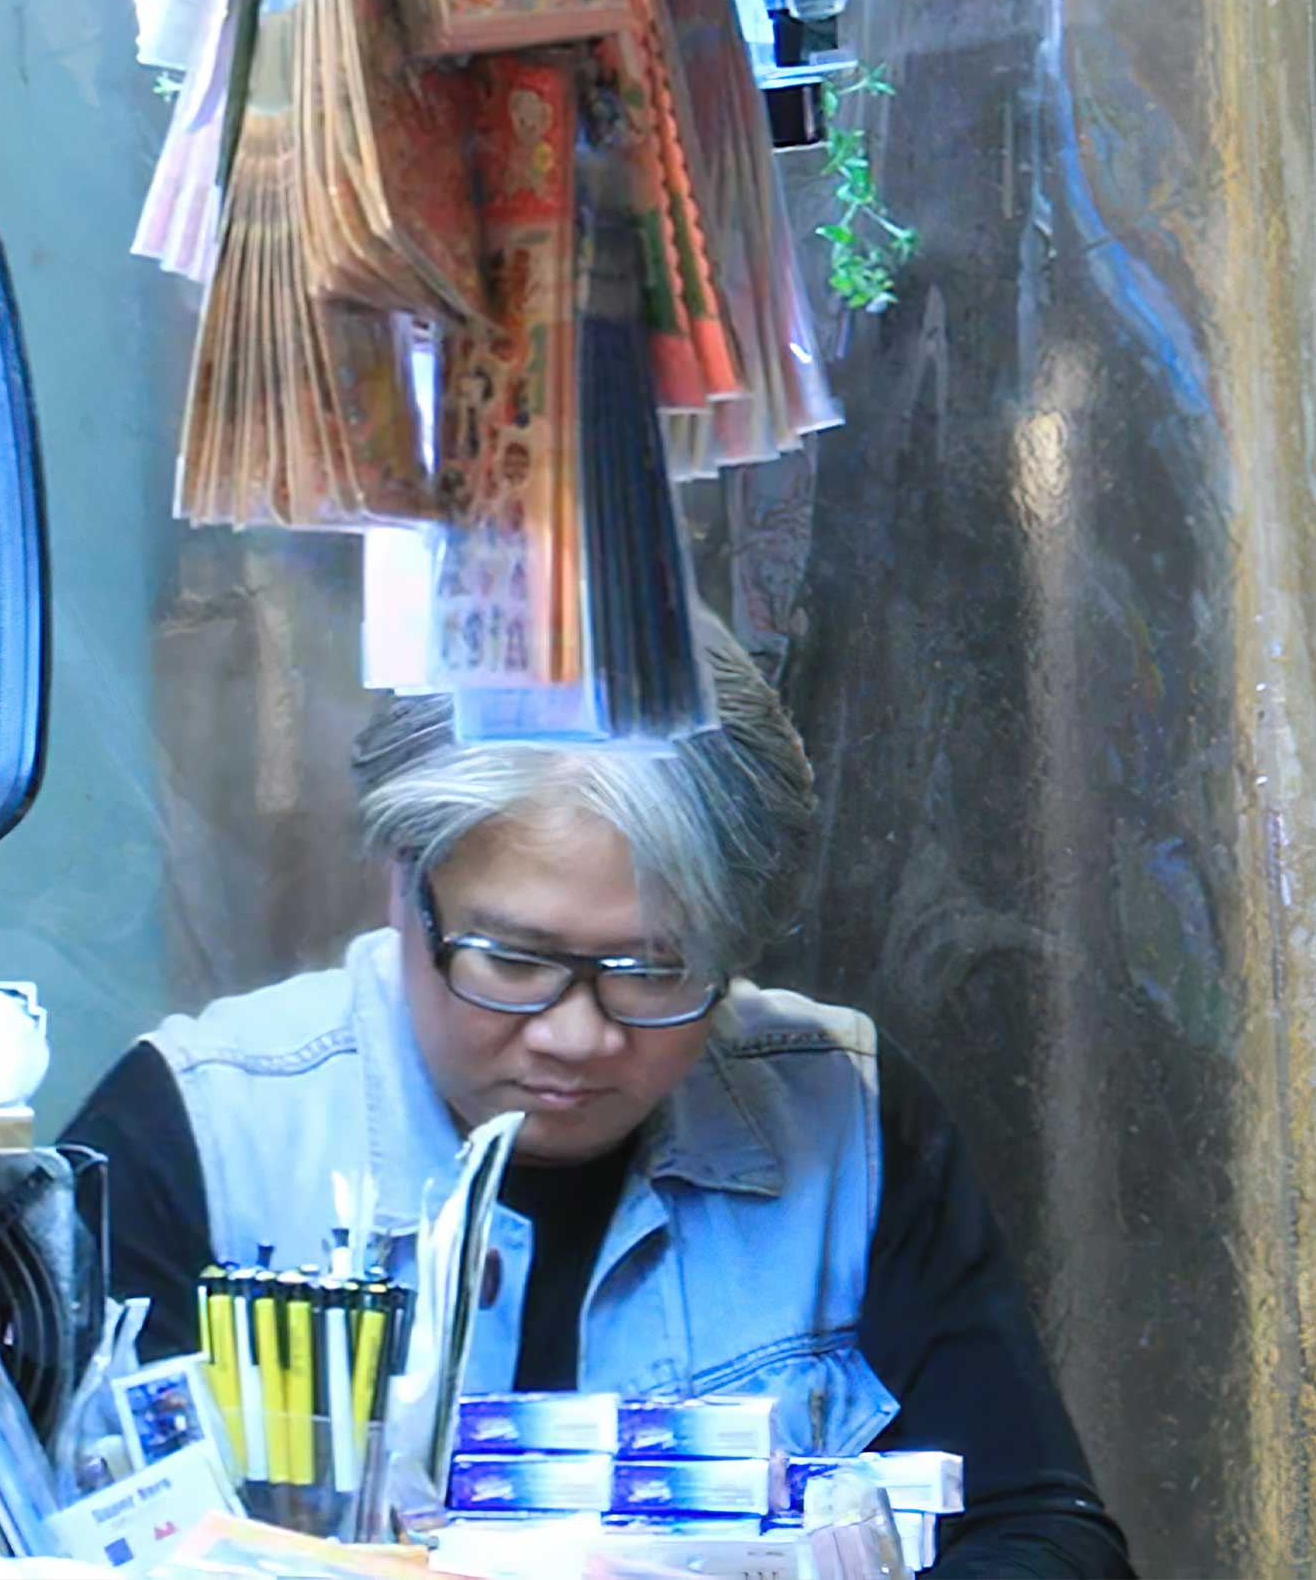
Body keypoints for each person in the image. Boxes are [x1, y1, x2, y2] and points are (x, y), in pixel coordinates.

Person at [59, 626, 1127, 1574]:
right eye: (512, 959)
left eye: (654, 971)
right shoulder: (201, 1132)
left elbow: (1041, 1528)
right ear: (399, 885)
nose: (578, 1035)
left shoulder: (840, 1114)